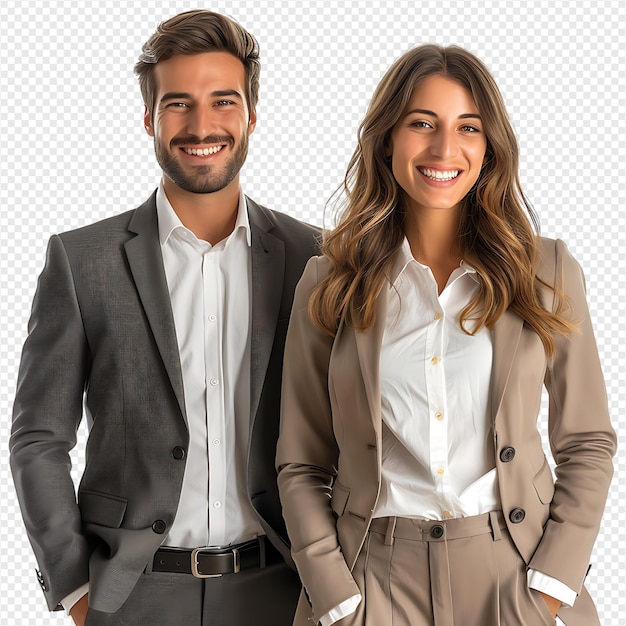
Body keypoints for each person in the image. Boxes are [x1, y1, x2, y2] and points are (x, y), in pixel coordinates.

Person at [276, 44, 616, 626]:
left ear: (489, 148)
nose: (443, 148)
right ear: (388, 139)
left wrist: (553, 583)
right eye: (421, 124)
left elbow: (586, 441)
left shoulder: (547, 271)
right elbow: (302, 463)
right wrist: (333, 591)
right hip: (371, 579)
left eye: (468, 128)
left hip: (513, 571)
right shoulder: (329, 281)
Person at [10, 10, 319, 626]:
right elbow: (39, 439)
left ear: (251, 116)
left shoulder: (317, 258)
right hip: (132, 597)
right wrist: (74, 588)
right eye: (178, 104)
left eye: (223, 101)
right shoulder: (81, 261)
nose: (201, 125)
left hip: (283, 591)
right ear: (148, 117)